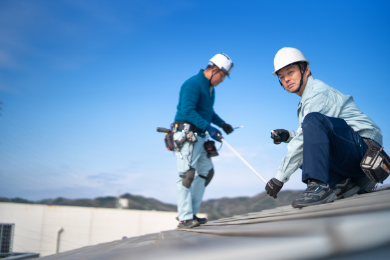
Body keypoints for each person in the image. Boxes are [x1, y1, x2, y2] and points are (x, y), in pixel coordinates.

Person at [265, 47, 383, 208]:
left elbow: (308, 133)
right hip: (352, 160)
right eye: (281, 76)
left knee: (310, 125)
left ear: (306, 70)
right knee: (305, 143)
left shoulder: (317, 94)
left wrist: (279, 177)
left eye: (290, 72)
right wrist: (288, 136)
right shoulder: (307, 99)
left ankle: (318, 186)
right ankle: (342, 185)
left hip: (366, 155)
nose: (286, 79)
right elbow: (310, 136)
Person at [173, 53, 235, 228]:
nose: (222, 80)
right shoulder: (193, 84)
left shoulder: (210, 88)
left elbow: (207, 112)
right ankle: (184, 218)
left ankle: (190, 213)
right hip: (186, 134)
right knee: (186, 174)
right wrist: (208, 127)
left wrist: (222, 124)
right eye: (222, 76)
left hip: (199, 136)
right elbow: (187, 111)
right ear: (214, 70)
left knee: (206, 171)